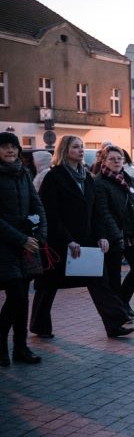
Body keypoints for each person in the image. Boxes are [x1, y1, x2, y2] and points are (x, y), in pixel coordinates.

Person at [30, 136, 134, 339]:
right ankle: (39, 325)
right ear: (64, 150)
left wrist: (101, 236)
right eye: (75, 147)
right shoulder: (54, 177)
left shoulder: (86, 177)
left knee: (98, 280)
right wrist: (68, 240)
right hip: (60, 242)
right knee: (48, 285)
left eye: (81, 147)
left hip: (85, 240)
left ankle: (115, 322)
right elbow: (51, 214)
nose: (80, 150)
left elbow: (96, 212)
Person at [0, 132, 46, 366]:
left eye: (13, 147)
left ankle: (21, 348)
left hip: (27, 245)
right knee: (16, 296)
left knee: (22, 299)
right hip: (5, 248)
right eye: (5, 147)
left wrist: (40, 235)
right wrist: (21, 239)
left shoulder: (23, 173)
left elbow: (37, 205)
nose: (10, 151)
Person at [94, 146, 134, 319]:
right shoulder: (100, 182)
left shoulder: (130, 181)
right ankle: (118, 311)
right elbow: (103, 212)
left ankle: (123, 301)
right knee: (114, 276)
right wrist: (115, 234)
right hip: (113, 236)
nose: (117, 161)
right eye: (112, 159)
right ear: (104, 161)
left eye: (120, 158)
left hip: (132, 234)